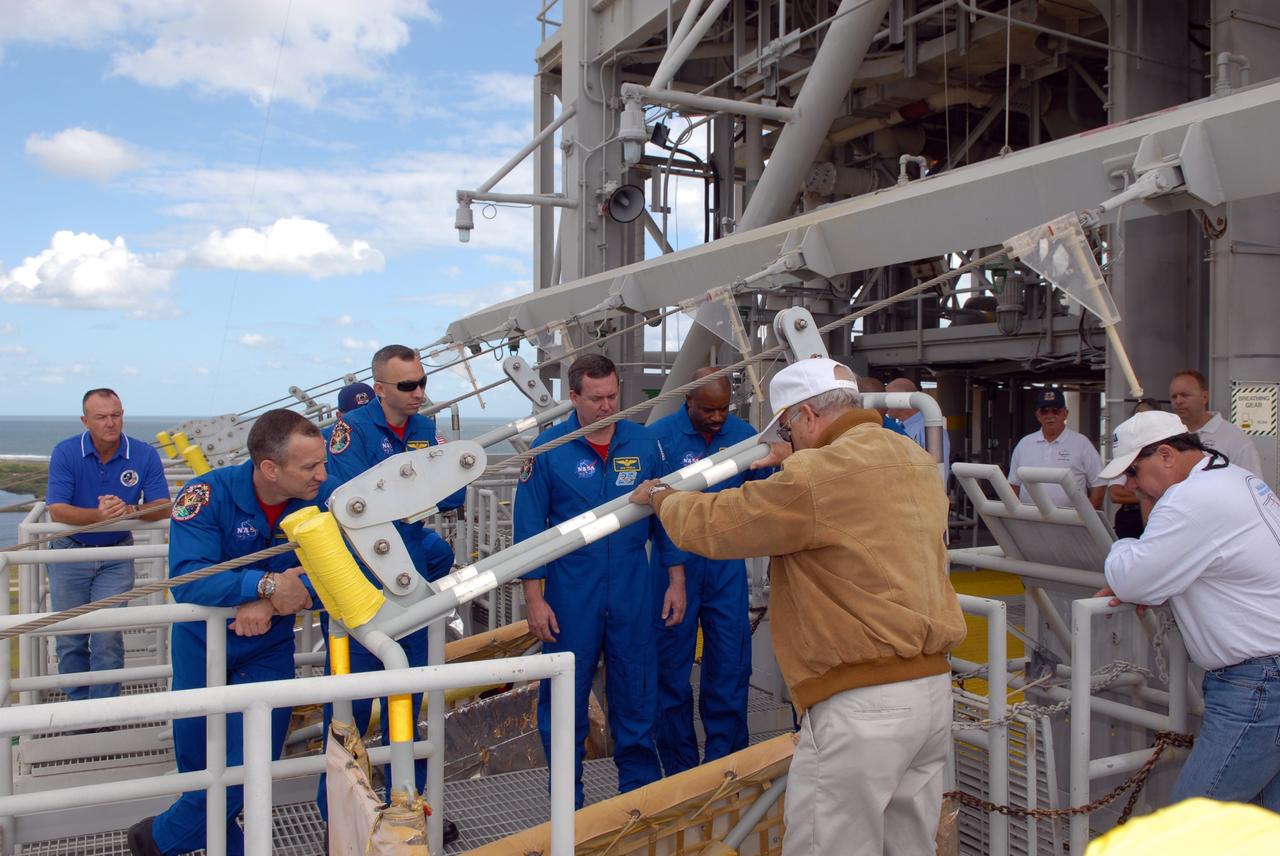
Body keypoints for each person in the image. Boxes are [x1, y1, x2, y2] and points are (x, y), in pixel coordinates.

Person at [631, 357, 965, 856]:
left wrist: (662, 497)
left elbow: (722, 524)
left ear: (807, 415)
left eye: (788, 425)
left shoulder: (818, 474)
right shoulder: (913, 459)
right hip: (930, 695)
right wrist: (792, 460)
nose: (790, 437)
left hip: (862, 708)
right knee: (908, 846)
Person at [127, 409, 324, 856]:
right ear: (270, 469)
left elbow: (338, 570)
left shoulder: (322, 499)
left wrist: (269, 601)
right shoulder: (205, 494)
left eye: (322, 463)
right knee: (201, 769)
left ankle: (156, 840)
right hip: (202, 646)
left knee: (252, 765)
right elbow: (188, 578)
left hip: (268, 647)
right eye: (310, 466)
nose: (321, 474)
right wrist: (265, 584)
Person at [514, 353, 687, 808]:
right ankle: (567, 807)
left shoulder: (643, 443)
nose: (607, 406)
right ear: (574, 397)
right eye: (596, 398)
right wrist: (535, 599)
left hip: (633, 585)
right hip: (572, 590)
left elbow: (665, 516)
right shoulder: (548, 450)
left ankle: (639, 798)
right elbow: (528, 530)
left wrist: (676, 580)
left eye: (613, 396)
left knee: (637, 692)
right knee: (565, 699)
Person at [1096, 409, 1280, 809]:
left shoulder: (1192, 498)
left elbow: (1133, 578)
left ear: (1165, 455)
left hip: (1259, 684)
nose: (1131, 486)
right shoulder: (1232, 477)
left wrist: (1123, 546)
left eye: (1133, 472)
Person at [318, 345, 461, 841]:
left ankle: (410, 815)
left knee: (408, 705)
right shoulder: (350, 432)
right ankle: (335, 821)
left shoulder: (424, 431)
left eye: (422, 382)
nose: (419, 393)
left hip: (411, 588)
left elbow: (454, 492)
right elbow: (347, 504)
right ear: (379, 389)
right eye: (407, 386)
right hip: (358, 587)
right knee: (347, 712)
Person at [646, 368, 765, 775]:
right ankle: (679, 770)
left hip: (726, 564)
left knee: (730, 664)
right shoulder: (659, 437)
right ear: (688, 403)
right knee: (670, 671)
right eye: (708, 409)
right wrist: (673, 571)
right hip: (672, 564)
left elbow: (768, 486)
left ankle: (724, 765)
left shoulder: (745, 434)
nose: (717, 417)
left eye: (723, 409)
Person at [44, 388, 169, 700]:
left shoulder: (143, 454)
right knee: (71, 635)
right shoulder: (66, 452)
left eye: (116, 415)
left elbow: (163, 506)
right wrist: (99, 515)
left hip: (116, 553)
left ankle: (105, 707)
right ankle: (77, 704)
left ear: (122, 415)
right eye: (101, 417)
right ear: (86, 420)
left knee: (108, 633)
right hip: (69, 553)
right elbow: (57, 508)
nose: (110, 423)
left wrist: (129, 511)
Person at [1009, 387, 1105, 508]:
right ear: (1037, 415)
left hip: (1070, 522)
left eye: (1055, 411)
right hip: (1031, 519)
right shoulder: (1024, 444)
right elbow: (1013, 484)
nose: (1050, 416)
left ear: (1065, 413)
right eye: (1044, 411)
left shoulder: (1082, 443)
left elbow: (1099, 484)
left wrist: (1088, 518)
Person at [1169, 369, 1264, 479]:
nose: (1178, 401)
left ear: (1204, 397)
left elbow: (1252, 485)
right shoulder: (1169, 436)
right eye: (1174, 396)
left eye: (1185, 395)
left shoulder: (1235, 439)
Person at [1108, 398, 1163, 538]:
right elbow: (1115, 494)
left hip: (1160, 518)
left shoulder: (1168, 452)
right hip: (1130, 518)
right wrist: (1150, 497)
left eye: (1146, 418)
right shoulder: (1126, 450)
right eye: (1137, 417)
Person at [886, 377, 952, 485]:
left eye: (887, 397)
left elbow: (939, 474)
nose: (884, 403)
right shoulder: (898, 427)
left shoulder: (930, 429)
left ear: (902, 400)